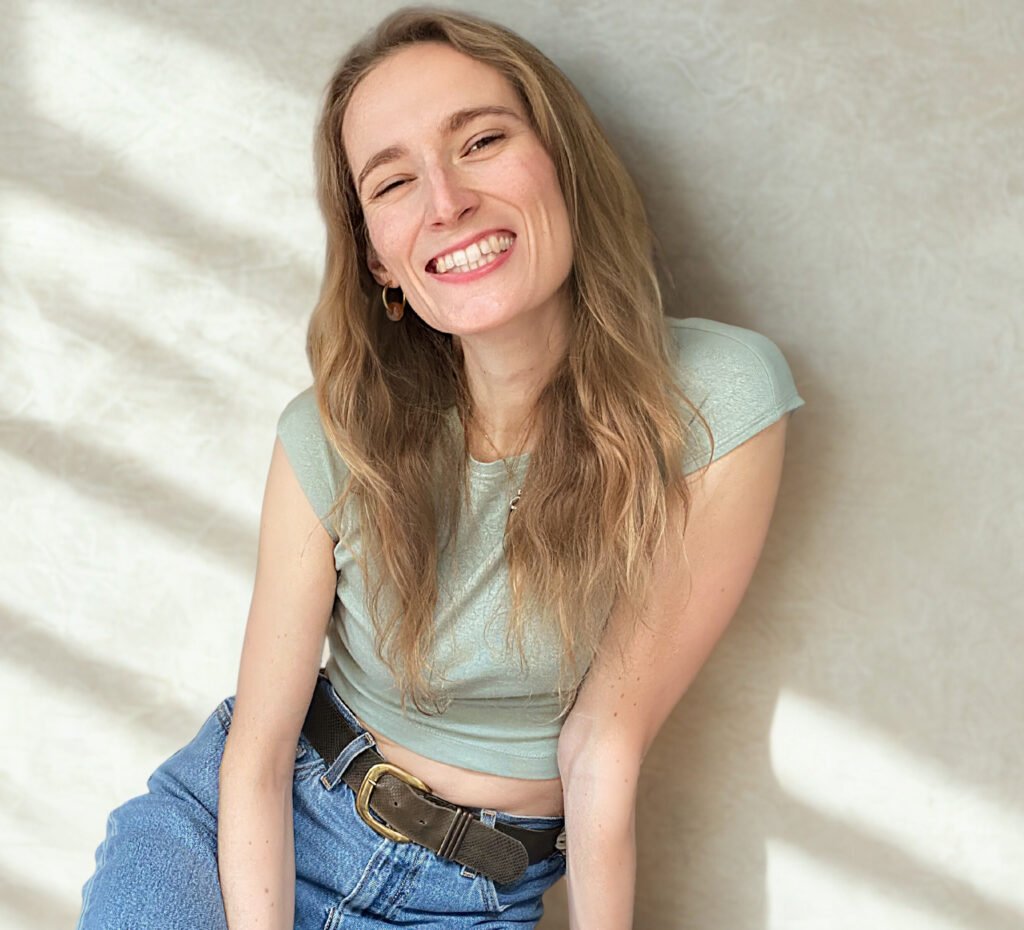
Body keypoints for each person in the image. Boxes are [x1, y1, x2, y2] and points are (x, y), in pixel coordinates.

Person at [75, 7, 805, 930]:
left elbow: (603, 745)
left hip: (472, 895)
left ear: (562, 163)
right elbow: (256, 757)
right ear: (378, 259)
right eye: (393, 182)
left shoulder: (716, 402)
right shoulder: (333, 433)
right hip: (233, 834)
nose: (446, 201)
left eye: (482, 141)